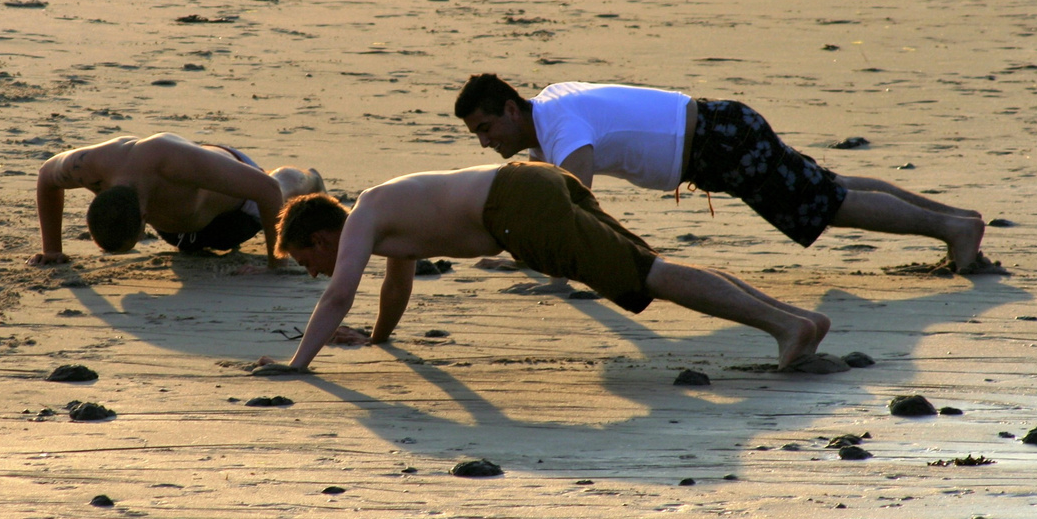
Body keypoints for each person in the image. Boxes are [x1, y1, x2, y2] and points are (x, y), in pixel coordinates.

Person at [251, 162, 830, 375]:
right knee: (649, 264)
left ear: (323, 236)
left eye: (307, 262)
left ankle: (785, 328)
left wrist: (297, 364)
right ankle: (797, 319)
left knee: (645, 274)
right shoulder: (384, 222)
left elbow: (339, 297)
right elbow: (396, 283)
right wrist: (379, 342)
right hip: (532, 183)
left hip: (517, 206)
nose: (313, 275)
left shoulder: (363, 220)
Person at [454, 74, 999, 273]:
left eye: (485, 127)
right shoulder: (550, 105)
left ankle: (952, 230)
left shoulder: (560, 125)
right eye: (476, 135)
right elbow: (550, 176)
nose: (486, 141)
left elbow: (570, 198)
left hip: (717, 142)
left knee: (826, 203)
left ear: (509, 108)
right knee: (827, 188)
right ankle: (956, 219)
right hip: (720, 128)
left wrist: (541, 255)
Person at [28, 133, 324, 269]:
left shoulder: (173, 162)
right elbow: (46, 176)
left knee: (281, 185)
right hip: (184, 228)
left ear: (144, 216)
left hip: (234, 215)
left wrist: (277, 264)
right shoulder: (89, 166)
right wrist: (52, 250)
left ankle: (308, 177)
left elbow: (267, 190)